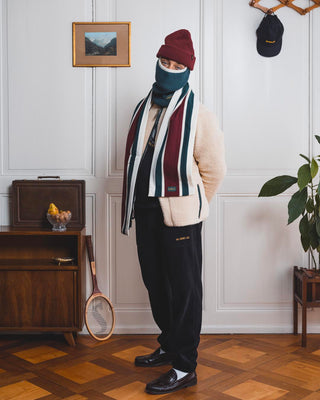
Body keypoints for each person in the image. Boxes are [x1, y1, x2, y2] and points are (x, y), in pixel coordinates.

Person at [121, 29, 226, 395]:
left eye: (177, 65)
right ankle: (168, 343)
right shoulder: (144, 106)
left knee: (184, 291)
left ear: (187, 70)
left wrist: (192, 207)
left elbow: (214, 171)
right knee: (156, 282)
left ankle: (184, 367)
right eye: (164, 62)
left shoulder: (200, 115)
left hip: (181, 215)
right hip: (146, 210)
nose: (169, 69)